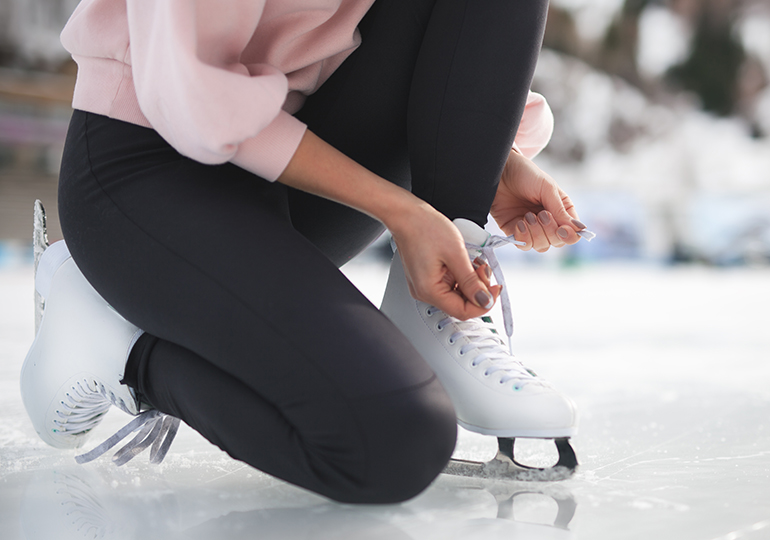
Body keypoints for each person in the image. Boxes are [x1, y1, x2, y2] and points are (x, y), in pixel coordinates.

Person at [20, 0, 587, 505]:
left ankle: (433, 305)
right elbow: (197, 98)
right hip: (150, 167)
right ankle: (121, 346)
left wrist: (483, 166)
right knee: (394, 438)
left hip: (292, 157)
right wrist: (404, 211)